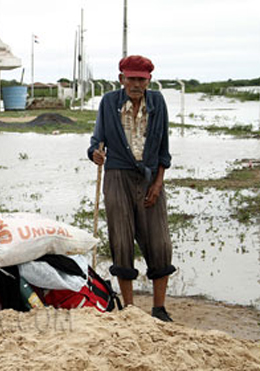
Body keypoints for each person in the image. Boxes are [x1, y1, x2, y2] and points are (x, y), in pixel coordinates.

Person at [87, 55, 175, 322]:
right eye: (131, 78)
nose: (136, 84)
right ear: (121, 79)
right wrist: (95, 154)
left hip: (149, 178)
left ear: (149, 80)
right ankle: (129, 309)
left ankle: (159, 309)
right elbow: (96, 140)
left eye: (141, 79)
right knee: (121, 240)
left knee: (160, 242)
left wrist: (158, 183)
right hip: (117, 176)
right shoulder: (109, 102)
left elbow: (163, 150)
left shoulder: (158, 102)